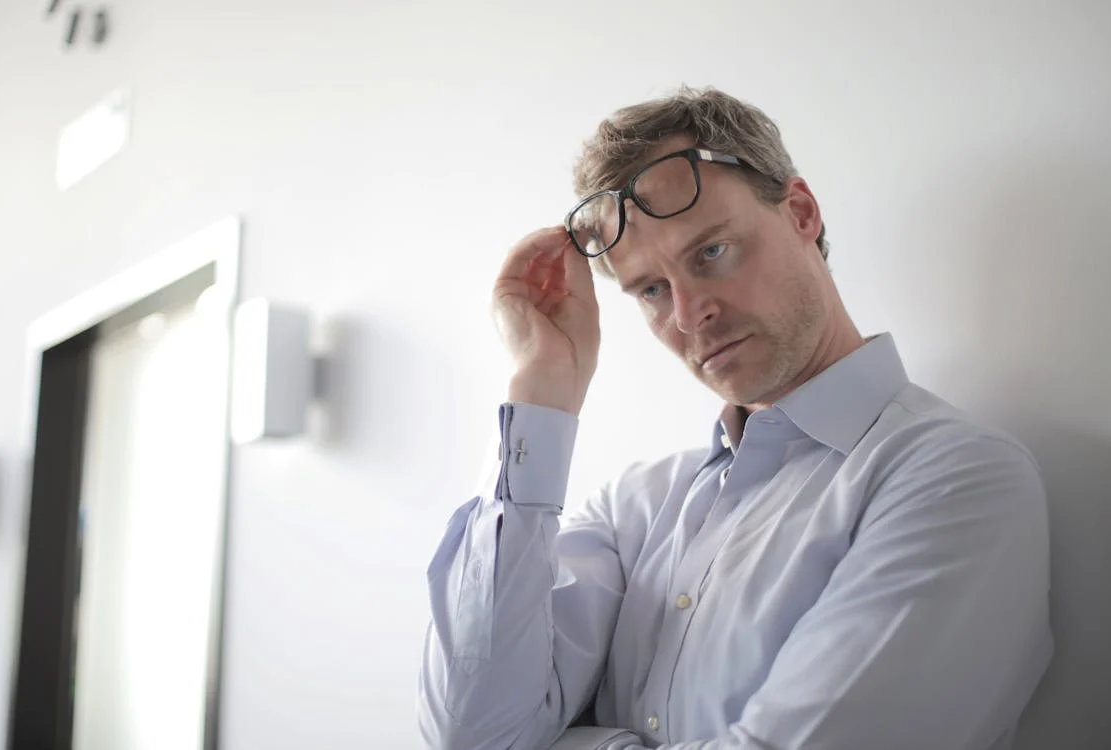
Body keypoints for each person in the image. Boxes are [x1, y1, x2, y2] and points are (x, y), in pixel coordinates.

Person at [417, 86, 1053, 750]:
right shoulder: (634, 510)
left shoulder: (954, 477)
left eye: (710, 253)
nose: (689, 316)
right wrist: (542, 390)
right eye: (652, 291)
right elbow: (471, 733)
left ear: (800, 212)